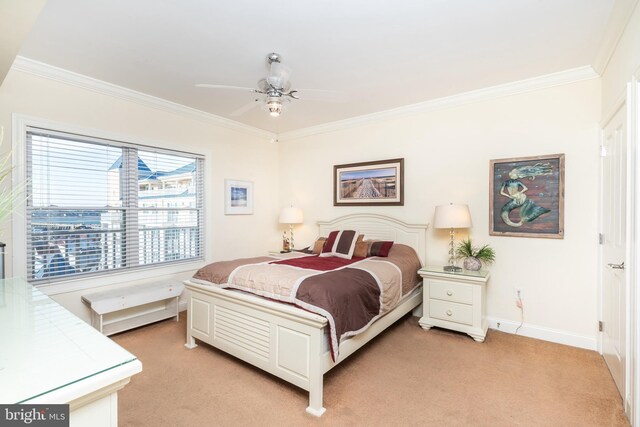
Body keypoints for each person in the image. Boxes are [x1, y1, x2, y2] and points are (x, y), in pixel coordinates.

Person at [499, 162, 553, 227]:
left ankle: (531, 213)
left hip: (520, 197)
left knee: (511, 210)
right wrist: (511, 196)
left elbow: (525, 188)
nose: (511, 174)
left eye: (513, 174)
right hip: (517, 197)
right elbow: (501, 192)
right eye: (512, 173)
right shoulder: (507, 182)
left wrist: (518, 193)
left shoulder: (515, 182)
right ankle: (532, 213)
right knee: (506, 211)